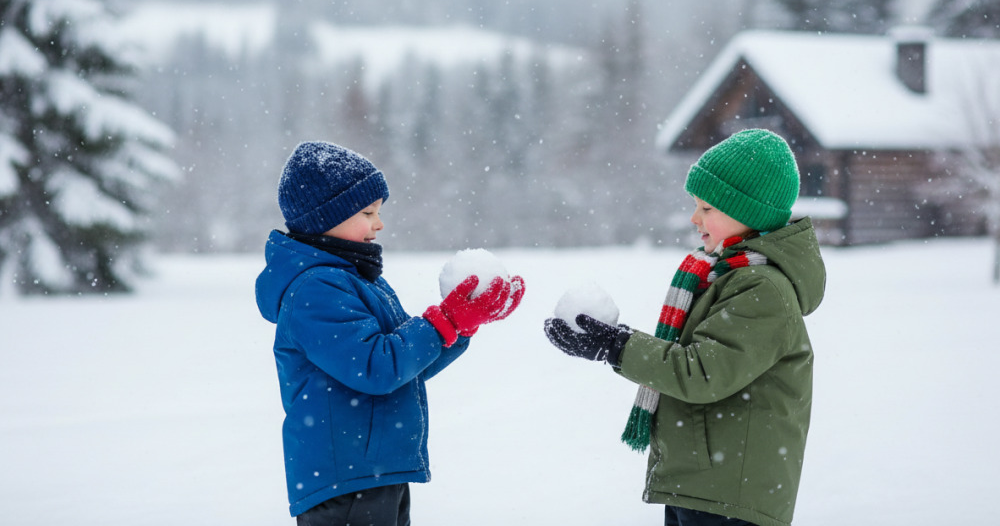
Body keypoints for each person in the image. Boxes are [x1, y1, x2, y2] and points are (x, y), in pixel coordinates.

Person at [544, 128, 825, 526]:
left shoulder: (762, 289)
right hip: (704, 482)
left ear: (747, 212)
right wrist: (612, 343)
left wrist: (617, 347)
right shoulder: (721, 275)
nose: (695, 218)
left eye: (707, 208)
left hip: (730, 495)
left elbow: (701, 372)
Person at [256, 141, 525, 525]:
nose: (379, 224)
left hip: (376, 470)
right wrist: (444, 320)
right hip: (345, 480)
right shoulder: (315, 290)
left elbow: (405, 368)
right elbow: (377, 368)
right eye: (368, 212)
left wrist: (461, 325)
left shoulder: (357, 281)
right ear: (325, 218)